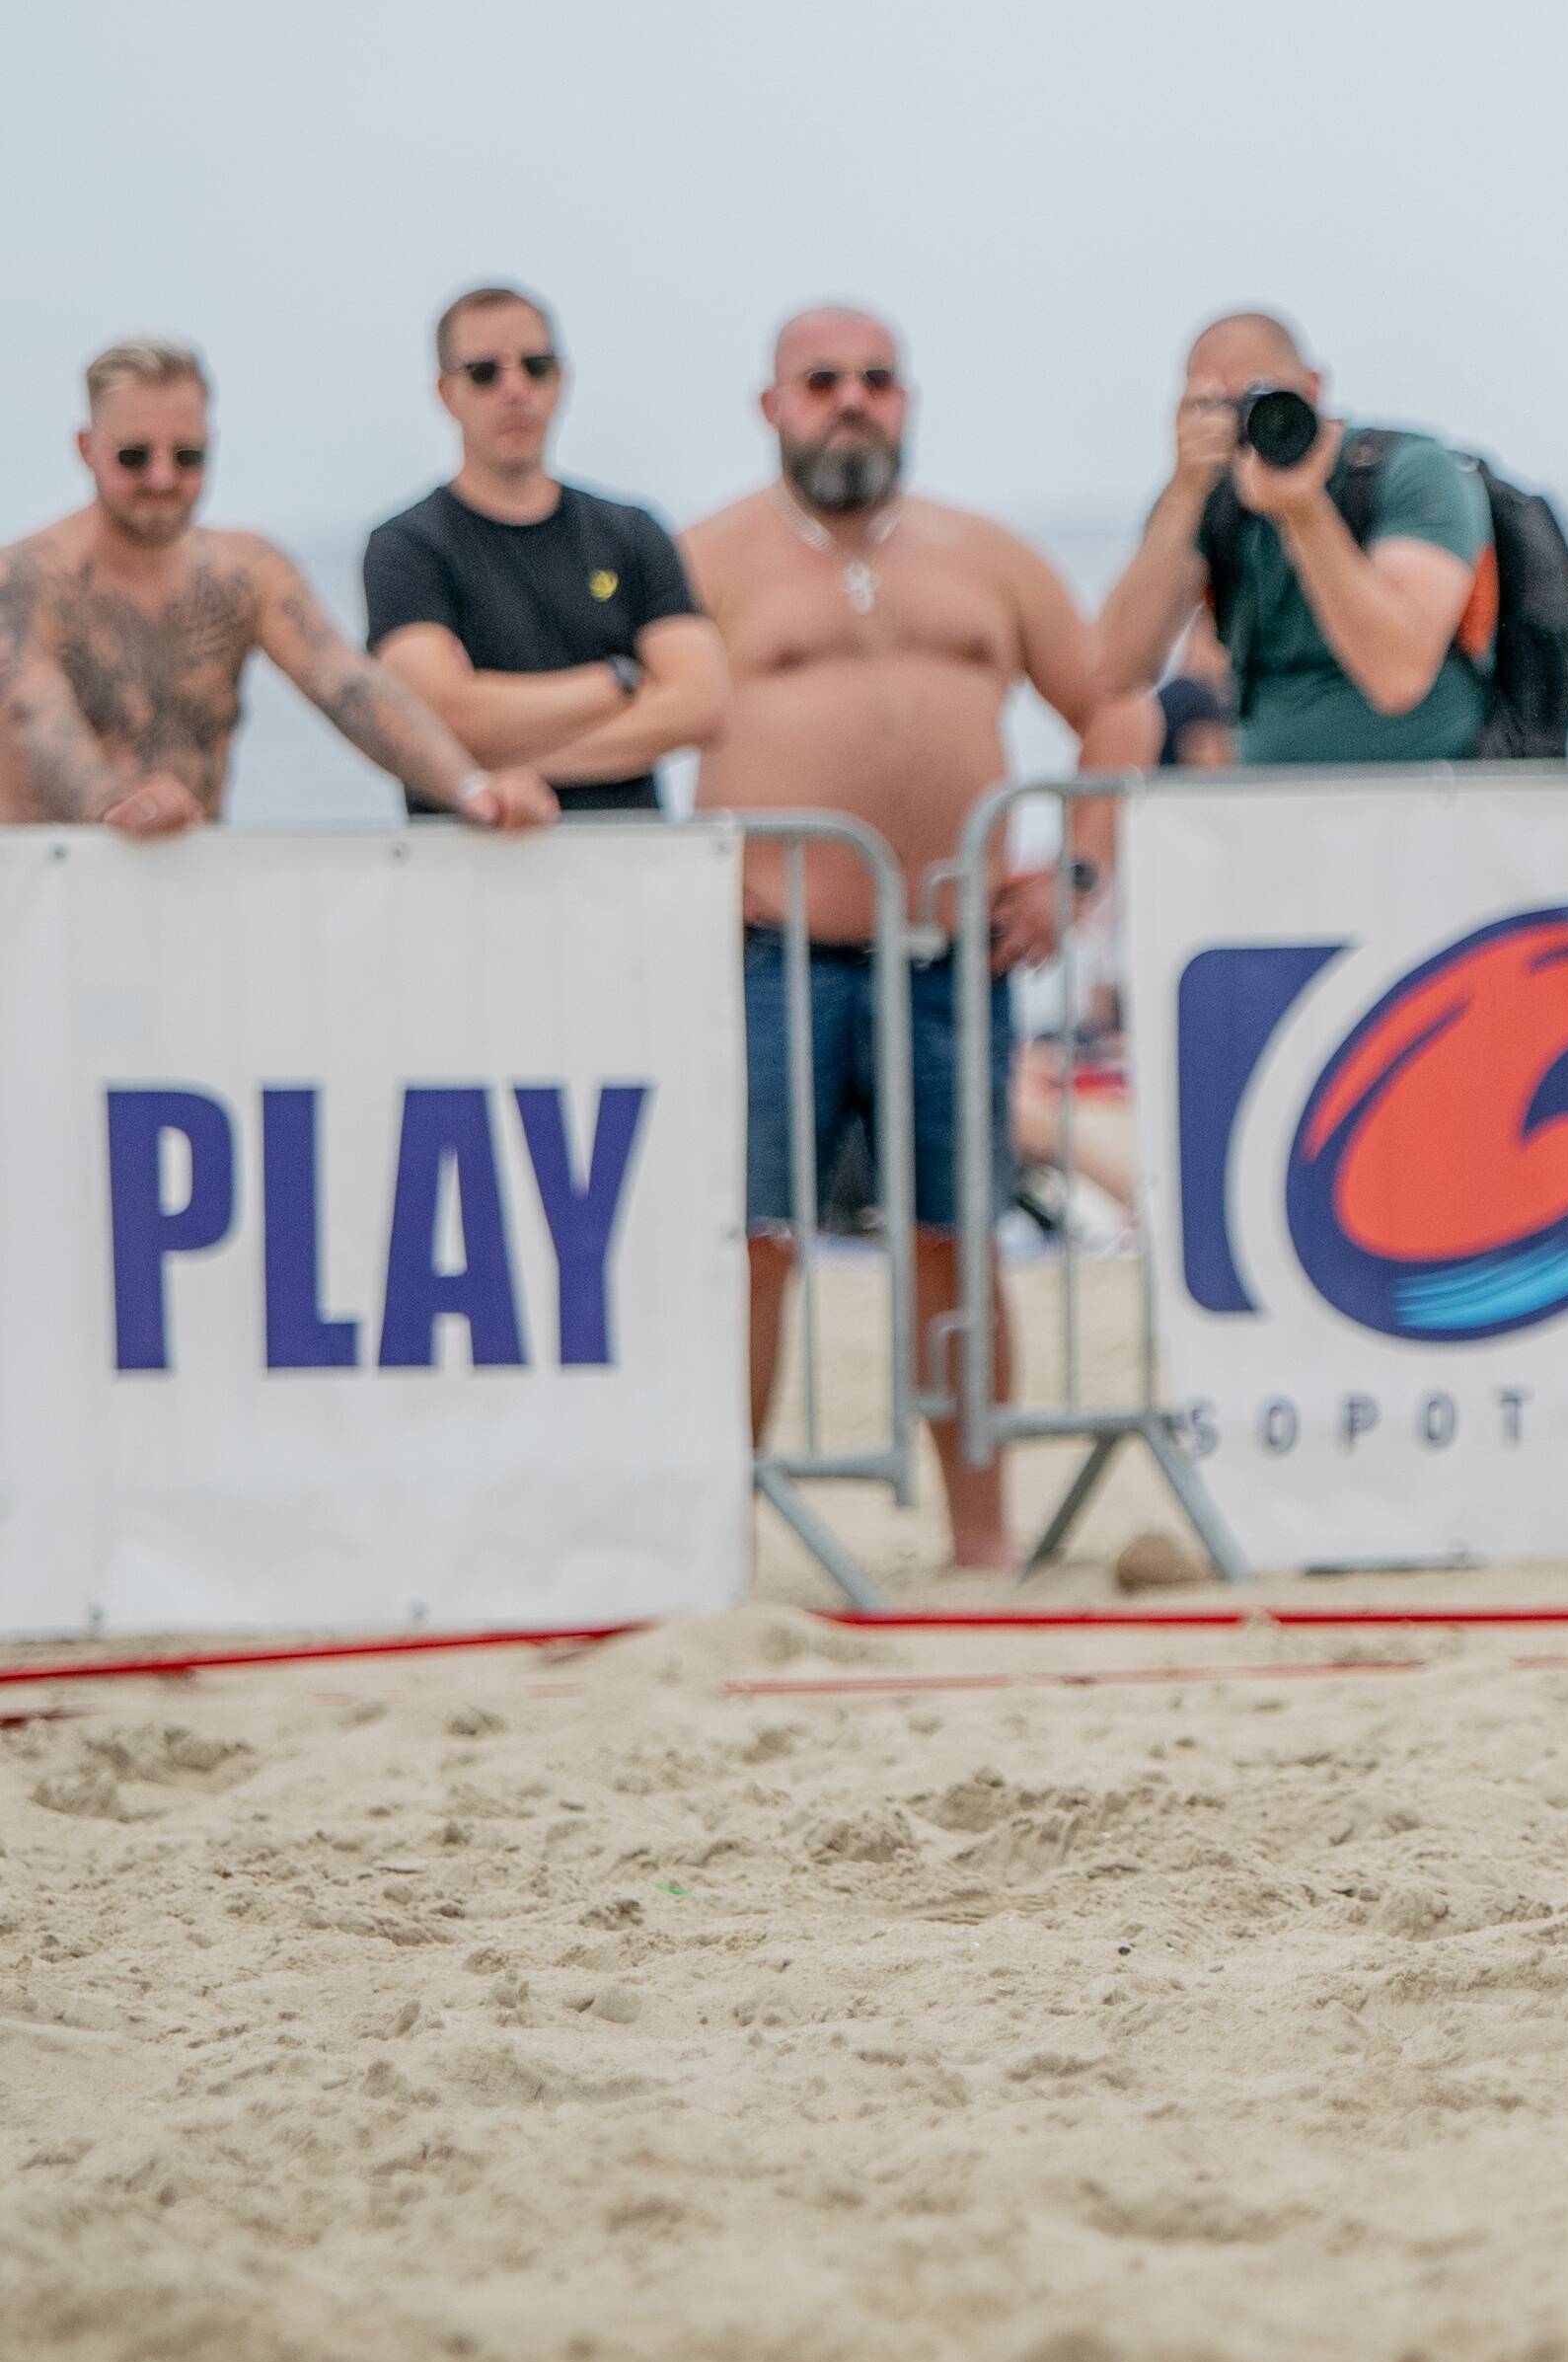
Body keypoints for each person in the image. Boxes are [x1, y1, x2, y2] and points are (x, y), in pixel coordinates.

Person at [689, 306, 1149, 1573]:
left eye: (878, 381)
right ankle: (716, 1543)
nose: (853, 402)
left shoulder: (985, 557)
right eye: (823, 380)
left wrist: (1076, 874)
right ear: (771, 403)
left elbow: (1114, 707)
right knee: (760, 1242)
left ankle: (984, 1546)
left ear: (910, 400)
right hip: (778, 953)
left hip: (956, 958)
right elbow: (629, 719)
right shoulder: (705, 561)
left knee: (956, 1235)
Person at [2, 341, 554, 839]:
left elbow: (348, 686)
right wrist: (115, 805)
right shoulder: (28, 577)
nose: (163, 478)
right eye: (134, 457)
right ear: (86, 448)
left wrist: (470, 789)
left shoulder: (243, 572)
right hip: (52, 890)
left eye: (188, 457)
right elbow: (36, 715)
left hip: (185, 885)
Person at [358, 282, 728, 815]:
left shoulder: (632, 532)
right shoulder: (407, 548)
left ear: (562, 380)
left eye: (535, 366)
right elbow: (439, 714)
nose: (514, 389)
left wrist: (500, 765)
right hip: (467, 877)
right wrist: (618, 680)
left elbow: (702, 704)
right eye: (485, 372)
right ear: (446, 394)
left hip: (627, 872)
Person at [1087, 310, 1492, 765]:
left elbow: (1398, 678)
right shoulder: (1203, 497)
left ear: (1313, 386)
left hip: (1427, 794)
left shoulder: (1410, 473)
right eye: (1214, 406)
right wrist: (1184, 492)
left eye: (1262, 397)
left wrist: (1303, 512)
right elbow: (1110, 675)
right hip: (1273, 802)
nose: (1248, 421)